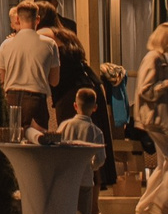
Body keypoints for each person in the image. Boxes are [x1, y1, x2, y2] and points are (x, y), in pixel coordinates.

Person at [47, 20, 118, 192]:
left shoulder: (50, 41)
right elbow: (100, 156)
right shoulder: (71, 43)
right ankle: (95, 199)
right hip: (91, 86)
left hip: (70, 92)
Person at [132, 22, 168, 214]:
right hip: (159, 121)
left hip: (160, 121)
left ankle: (144, 207)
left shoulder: (158, 59)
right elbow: (145, 90)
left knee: (164, 165)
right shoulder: (153, 58)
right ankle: (162, 205)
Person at [56, 87, 110, 214]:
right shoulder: (96, 131)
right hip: (85, 180)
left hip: (65, 179)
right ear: (95, 108)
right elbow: (100, 159)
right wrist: (91, 166)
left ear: (75, 105)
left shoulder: (64, 126)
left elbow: (56, 149)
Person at [0, 0, 60, 131]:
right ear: (37, 19)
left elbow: (0, 78)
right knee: (36, 141)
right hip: (36, 100)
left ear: (17, 19)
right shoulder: (50, 44)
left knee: (13, 139)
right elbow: (54, 81)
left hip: (11, 99)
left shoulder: (6, 45)